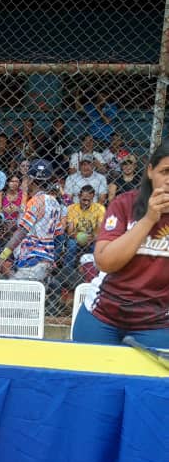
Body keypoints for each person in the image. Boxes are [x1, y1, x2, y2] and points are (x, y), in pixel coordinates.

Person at [72, 142, 169, 346]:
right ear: (150, 171)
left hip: (157, 321)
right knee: (89, 375)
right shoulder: (125, 204)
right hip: (103, 313)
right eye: (165, 171)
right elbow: (105, 262)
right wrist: (149, 219)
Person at [0, 159, 66, 282]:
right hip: (46, 259)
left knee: (13, 292)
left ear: (31, 180)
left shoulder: (35, 202)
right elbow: (59, 233)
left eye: (25, 178)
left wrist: (2, 257)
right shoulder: (54, 202)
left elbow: (21, 232)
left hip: (32, 260)